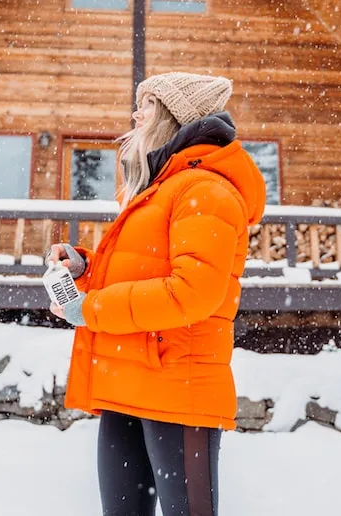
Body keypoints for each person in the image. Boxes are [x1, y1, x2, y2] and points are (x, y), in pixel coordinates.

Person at [47, 71, 266, 516]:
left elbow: (191, 293)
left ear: (171, 116)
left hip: (179, 388)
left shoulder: (206, 190)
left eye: (146, 104)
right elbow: (145, 268)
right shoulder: (160, 188)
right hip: (131, 381)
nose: (135, 113)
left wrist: (90, 309)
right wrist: (87, 268)